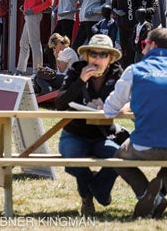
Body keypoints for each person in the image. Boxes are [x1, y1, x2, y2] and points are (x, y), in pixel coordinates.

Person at [103, 27, 167, 218]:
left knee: (117, 158)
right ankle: (159, 193)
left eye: (144, 44)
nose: (142, 50)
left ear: (153, 45)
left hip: (143, 144)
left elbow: (109, 109)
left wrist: (129, 103)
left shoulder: (134, 70)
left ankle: (145, 193)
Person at [55, 34, 125, 216]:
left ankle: (97, 189)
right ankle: (87, 196)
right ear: (86, 56)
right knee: (73, 158)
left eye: (103, 55)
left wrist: (118, 106)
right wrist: (80, 82)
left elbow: (131, 100)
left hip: (104, 134)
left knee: (119, 157)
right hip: (75, 133)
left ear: (110, 59)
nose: (97, 59)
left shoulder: (118, 74)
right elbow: (60, 103)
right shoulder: (76, 70)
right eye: (93, 54)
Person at [16, 0, 55, 76]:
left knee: (34, 42)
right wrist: (25, 7)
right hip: (29, 16)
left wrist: (33, 10)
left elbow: (48, 2)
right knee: (23, 43)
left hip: (34, 16)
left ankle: (37, 71)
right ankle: (20, 69)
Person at [112, 0, 144, 67]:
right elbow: (112, 6)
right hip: (121, 25)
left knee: (133, 48)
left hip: (134, 24)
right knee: (124, 48)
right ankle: (125, 68)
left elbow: (141, 5)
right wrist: (117, 12)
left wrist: (140, 18)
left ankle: (132, 66)